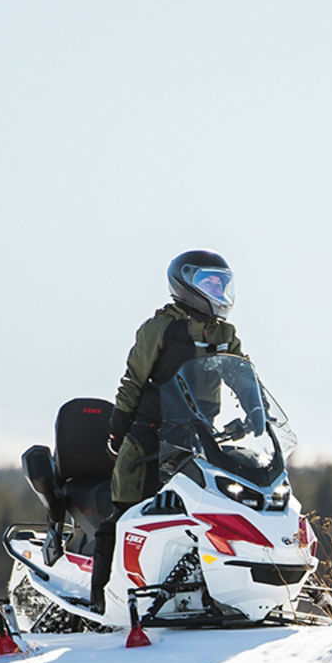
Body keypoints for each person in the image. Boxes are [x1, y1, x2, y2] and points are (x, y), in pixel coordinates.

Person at [88, 251, 243, 613]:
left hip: (199, 437)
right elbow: (133, 379)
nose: (218, 290)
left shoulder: (225, 333)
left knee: (201, 513)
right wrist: (119, 428)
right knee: (127, 512)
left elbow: (241, 373)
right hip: (150, 433)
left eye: (222, 284)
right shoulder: (161, 327)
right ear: (186, 284)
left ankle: (204, 593)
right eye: (210, 283)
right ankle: (100, 598)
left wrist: (256, 411)